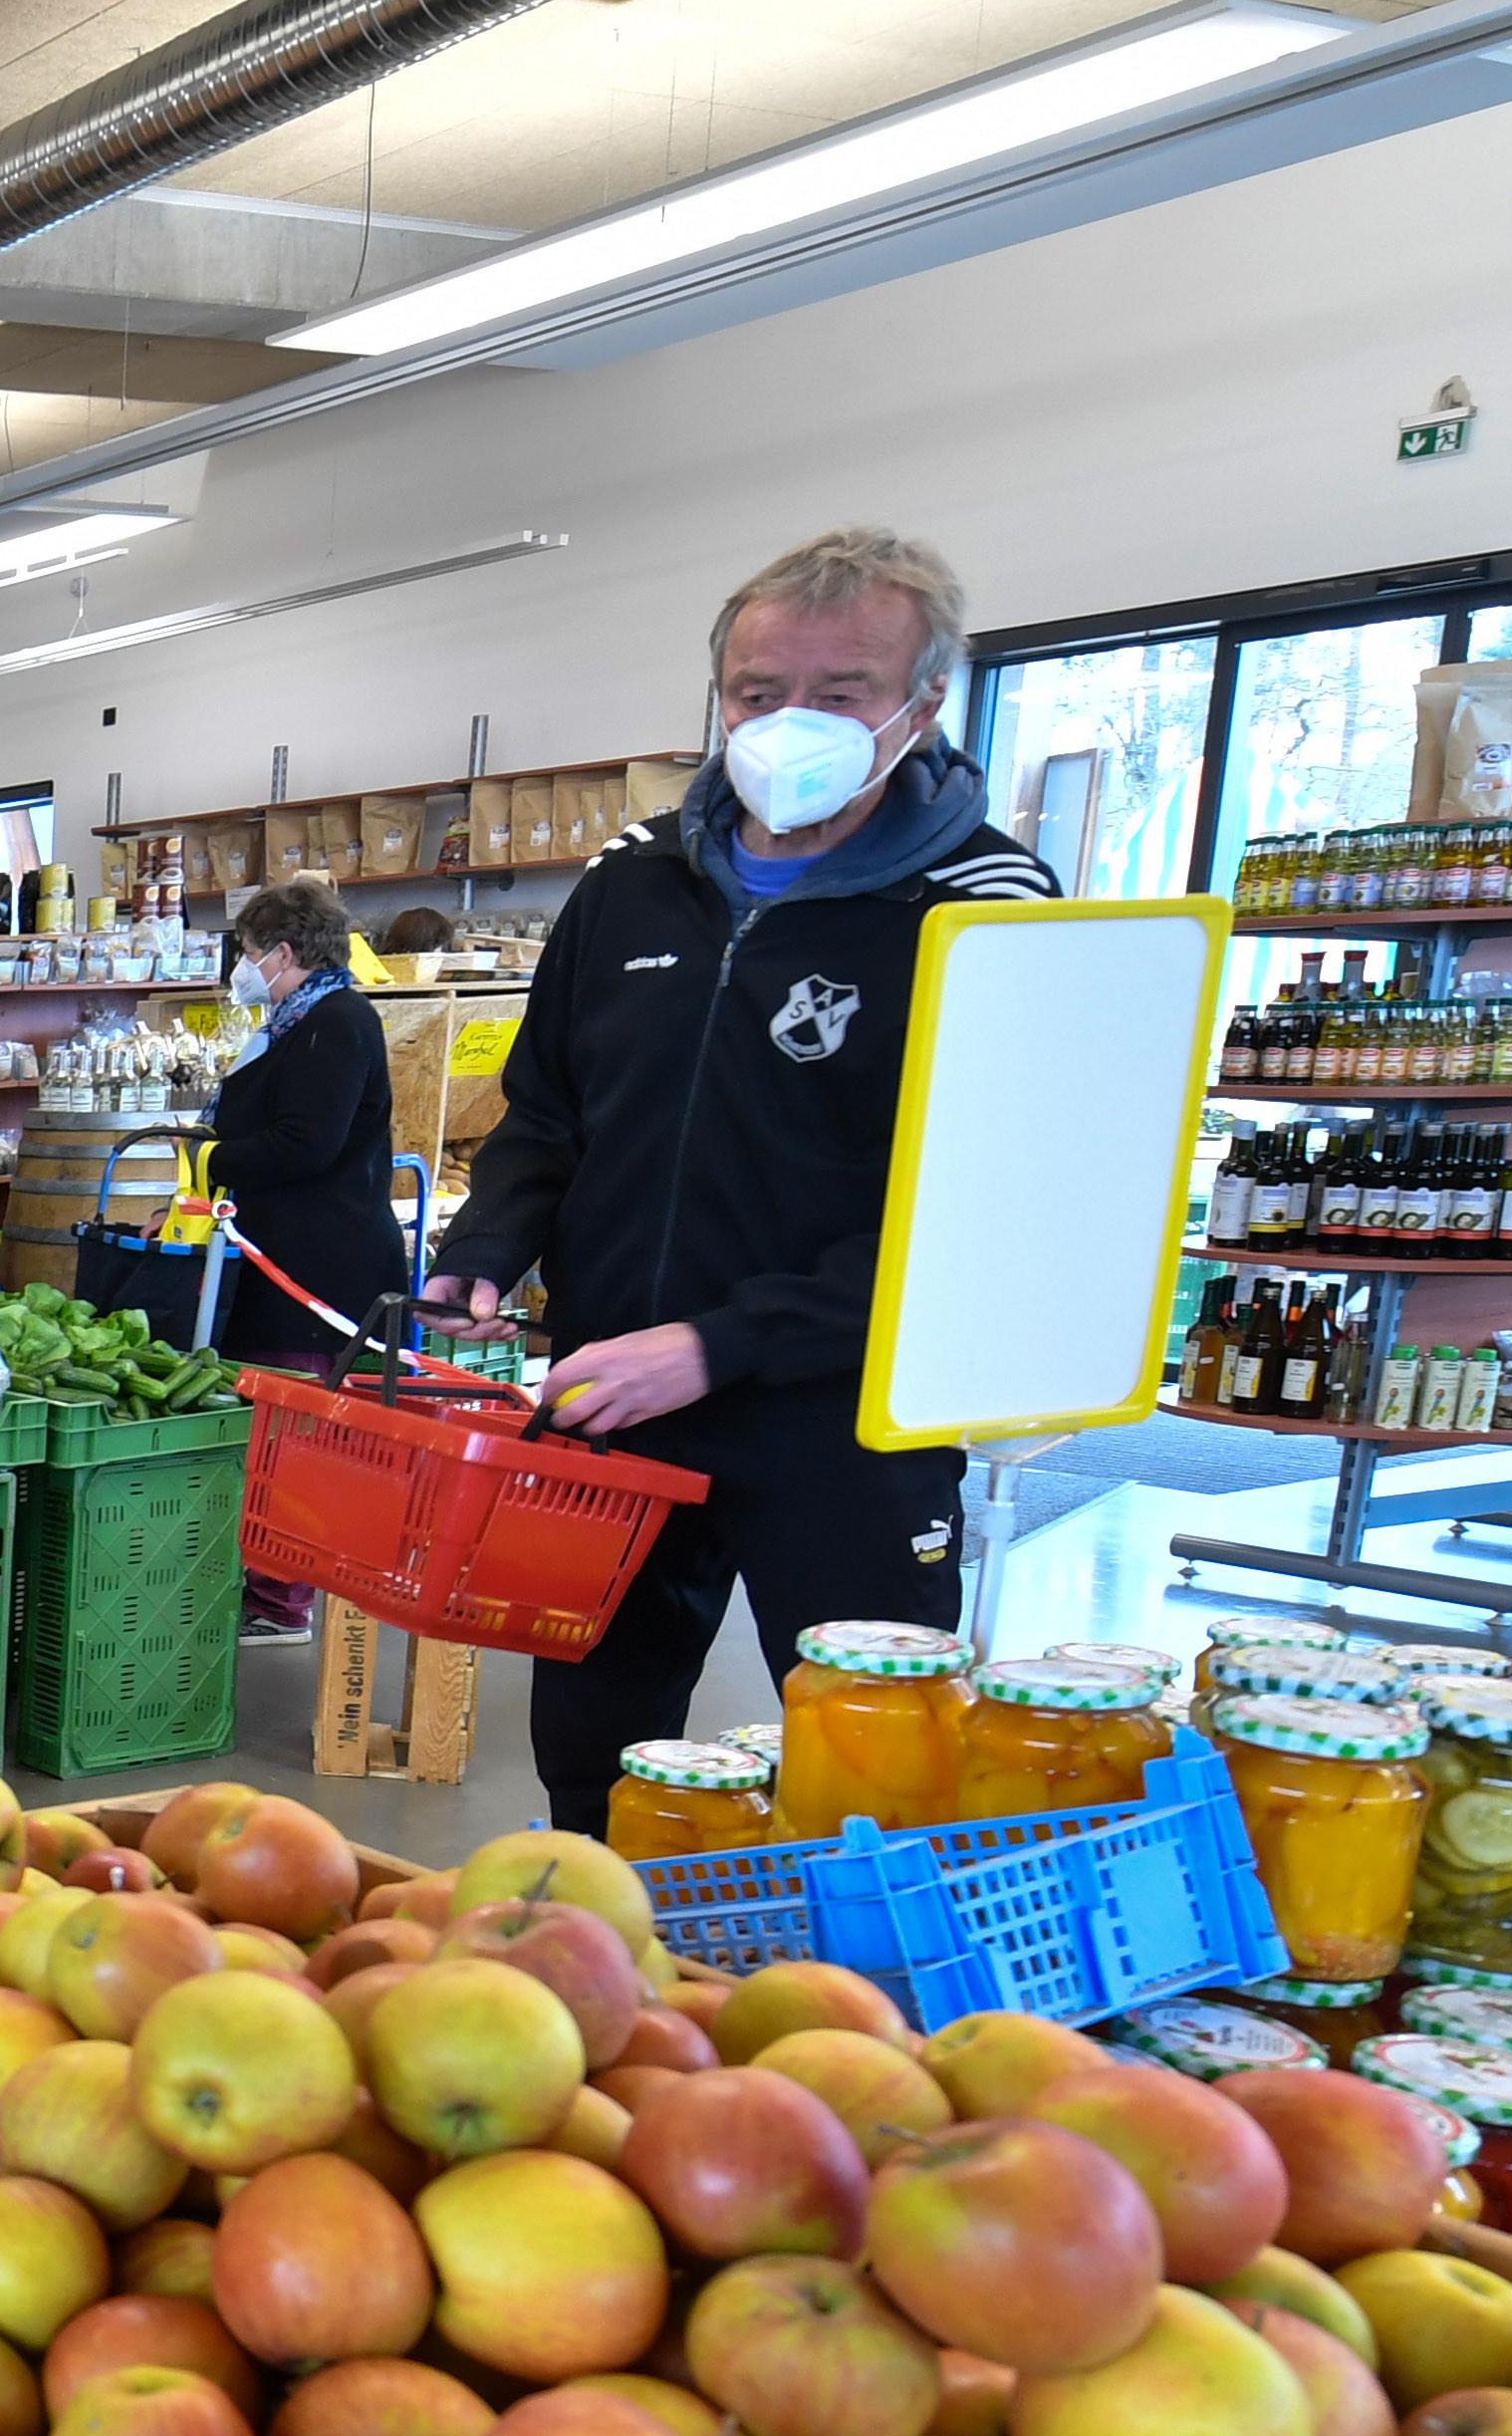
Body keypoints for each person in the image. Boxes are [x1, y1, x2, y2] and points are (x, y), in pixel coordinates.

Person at [418, 525, 1060, 1825]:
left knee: (868, 1774)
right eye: (760, 694)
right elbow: (547, 1103)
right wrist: (488, 1242)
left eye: (842, 694)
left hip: (843, 1416)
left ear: (923, 704)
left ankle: (859, 2015)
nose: (791, 724)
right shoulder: (632, 883)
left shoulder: (991, 909)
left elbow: (980, 1216)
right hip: (611, 1397)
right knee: (592, 1750)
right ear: (719, 695)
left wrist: (721, 1342)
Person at [205, 877, 409, 1364]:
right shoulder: (292, 1022)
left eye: (249, 951)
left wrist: (209, 1158)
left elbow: (305, 1144)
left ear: (282, 954)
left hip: (320, 1272)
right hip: (280, 1257)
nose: (243, 966)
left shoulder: (336, 1021)